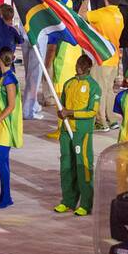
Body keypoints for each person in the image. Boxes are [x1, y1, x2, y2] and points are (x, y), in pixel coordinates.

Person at [54, 55, 101, 216]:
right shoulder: (69, 83)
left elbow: (92, 111)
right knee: (66, 166)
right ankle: (67, 201)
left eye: (82, 64)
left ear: (88, 67)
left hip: (82, 132)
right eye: (77, 63)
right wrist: (61, 114)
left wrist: (72, 113)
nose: (78, 66)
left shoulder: (93, 87)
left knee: (83, 167)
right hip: (67, 131)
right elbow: (62, 105)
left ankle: (86, 204)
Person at [84, 0, 125, 132]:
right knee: (108, 91)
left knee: (99, 91)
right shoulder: (119, 15)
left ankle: (101, 121)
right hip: (113, 59)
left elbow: (80, 16)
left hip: (102, 58)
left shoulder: (102, 14)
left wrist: (86, 0)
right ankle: (111, 119)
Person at [0, 46, 21, 209]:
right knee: (2, 161)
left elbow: (12, 105)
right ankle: (3, 194)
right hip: (2, 125)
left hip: (5, 126)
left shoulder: (9, 79)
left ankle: (7, 196)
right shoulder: (6, 77)